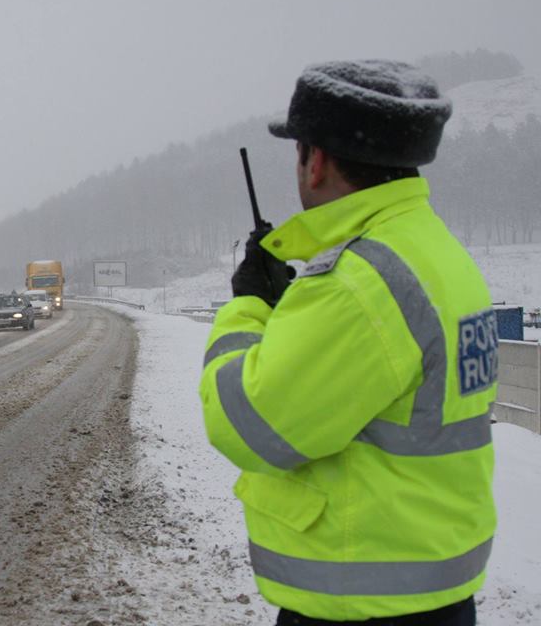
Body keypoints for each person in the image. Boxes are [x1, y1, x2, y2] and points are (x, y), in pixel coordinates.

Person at [200, 60, 497, 625]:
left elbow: (247, 425)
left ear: (316, 162)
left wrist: (247, 305)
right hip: (430, 585)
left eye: (299, 151)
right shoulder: (433, 252)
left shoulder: (358, 286)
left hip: (362, 601)